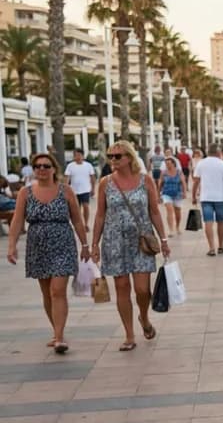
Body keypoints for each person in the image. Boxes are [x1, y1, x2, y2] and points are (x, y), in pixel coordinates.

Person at [5, 153, 89, 353]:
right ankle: (56, 330)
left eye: (46, 166)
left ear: (54, 169)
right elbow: (17, 220)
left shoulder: (66, 190)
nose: (41, 169)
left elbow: (77, 219)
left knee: (57, 291)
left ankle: (59, 337)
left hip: (63, 244)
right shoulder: (26, 193)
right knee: (47, 293)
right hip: (38, 246)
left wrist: (85, 245)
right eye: (37, 166)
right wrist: (11, 245)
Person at [92, 141, 170, 352]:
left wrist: (163, 240)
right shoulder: (105, 183)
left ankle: (143, 318)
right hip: (114, 240)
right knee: (121, 287)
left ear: (129, 157)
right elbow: (100, 214)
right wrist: (94, 244)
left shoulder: (145, 181)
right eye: (111, 156)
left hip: (141, 241)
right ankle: (129, 334)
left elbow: (154, 211)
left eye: (118, 156)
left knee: (143, 290)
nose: (113, 160)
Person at [193, 146, 223, 256]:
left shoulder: (201, 163)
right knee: (220, 221)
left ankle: (211, 248)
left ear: (208, 152)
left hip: (205, 197)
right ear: (218, 152)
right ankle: (220, 246)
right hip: (220, 197)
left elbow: (196, 181)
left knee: (208, 221)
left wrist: (193, 196)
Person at [64, 149, 96, 229]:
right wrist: (65, 189)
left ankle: (86, 224)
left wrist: (93, 189)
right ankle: (78, 224)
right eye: (75, 155)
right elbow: (67, 178)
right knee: (76, 209)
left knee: (86, 206)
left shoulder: (88, 165)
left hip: (85, 190)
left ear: (82, 156)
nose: (77, 157)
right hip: (74, 191)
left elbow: (92, 178)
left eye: (79, 155)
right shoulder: (70, 166)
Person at [157, 157, 185, 237]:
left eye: (169, 163)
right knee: (169, 210)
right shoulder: (164, 173)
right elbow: (160, 184)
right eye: (166, 164)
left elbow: (183, 182)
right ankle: (170, 230)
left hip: (177, 194)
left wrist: (184, 192)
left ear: (173, 163)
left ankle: (177, 227)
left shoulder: (179, 172)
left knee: (178, 213)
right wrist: (158, 195)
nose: (167, 165)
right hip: (166, 193)